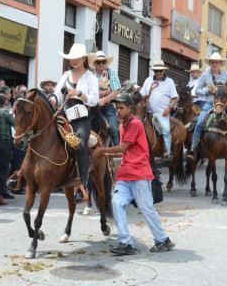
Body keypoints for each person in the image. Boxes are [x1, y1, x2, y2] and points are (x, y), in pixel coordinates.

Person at [92, 93, 175, 255]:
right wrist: (106, 154)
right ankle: (125, 243)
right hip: (125, 174)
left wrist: (102, 151)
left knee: (146, 208)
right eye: (116, 108)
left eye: (121, 108)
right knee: (116, 203)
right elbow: (125, 151)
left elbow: (123, 148)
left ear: (130, 108)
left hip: (138, 173)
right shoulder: (123, 125)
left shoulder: (135, 124)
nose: (118, 111)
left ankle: (163, 240)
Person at [54, 43, 98, 203]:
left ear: (84, 58)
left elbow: (94, 100)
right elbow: (57, 95)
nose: (73, 61)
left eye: (76, 58)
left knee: (80, 145)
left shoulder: (91, 77)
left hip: (81, 118)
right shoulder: (66, 75)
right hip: (64, 114)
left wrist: (79, 94)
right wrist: (52, 98)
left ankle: (82, 185)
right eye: (71, 58)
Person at [186, 52, 227, 166]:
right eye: (212, 62)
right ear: (210, 63)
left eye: (216, 62)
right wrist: (207, 91)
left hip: (224, 104)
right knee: (199, 124)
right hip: (209, 104)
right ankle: (193, 149)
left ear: (220, 64)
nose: (214, 64)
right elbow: (197, 90)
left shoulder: (226, 76)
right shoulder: (204, 76)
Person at [140, 60, 178, 162]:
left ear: (163, 71)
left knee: (165, 130)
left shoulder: (169, 82)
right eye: (156, 71)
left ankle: (166, 152)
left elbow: (175, 98)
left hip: (162, 113)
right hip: (148, 112)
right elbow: (141, 95)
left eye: (160, 71)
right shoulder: (148, 80)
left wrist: (169, 108)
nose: (158, 73)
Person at [90, 50, 122, 146]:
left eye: (103, 62)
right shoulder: (90, 75)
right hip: (92, 107)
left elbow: (116, 90)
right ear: (94, 63)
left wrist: (104, 100)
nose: (100, 64)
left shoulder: (112, 74)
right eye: (98, 62)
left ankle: (117, 153)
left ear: (106, 62)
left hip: (108, 107)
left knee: (113, 129)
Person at [0, 93, 15, 203]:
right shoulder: (5, 111)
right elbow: (14, 122)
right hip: (4, 143)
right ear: (5, 101)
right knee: (3, 170)